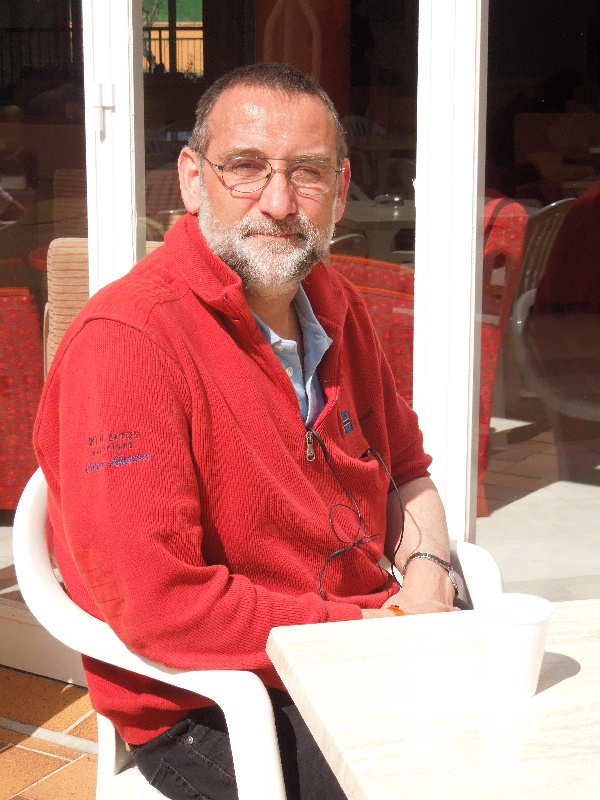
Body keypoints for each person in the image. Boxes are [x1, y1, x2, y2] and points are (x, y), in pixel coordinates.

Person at [34, 63, 457, 800]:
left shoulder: (337, 303)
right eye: (246, 167)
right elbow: (161, 606)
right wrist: (371, 628)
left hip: (366, 648)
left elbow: (407, 471)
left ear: (341, 190)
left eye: (308, 173)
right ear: (193, 179)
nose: (280, 201)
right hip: (214, 700)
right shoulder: (129, 343)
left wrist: (429, 575)